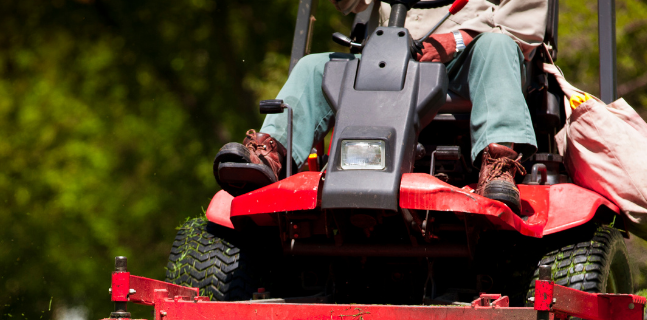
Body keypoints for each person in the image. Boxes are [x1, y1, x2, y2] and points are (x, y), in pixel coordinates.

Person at [214, 0, 548, 213]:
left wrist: (456, 40)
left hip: (471, 57)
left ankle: (499, 165)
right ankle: (270, 156)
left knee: (498, 45)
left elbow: (523, 30)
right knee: (316, 67)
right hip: (392, 56)